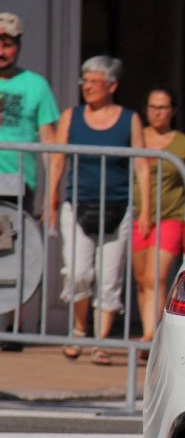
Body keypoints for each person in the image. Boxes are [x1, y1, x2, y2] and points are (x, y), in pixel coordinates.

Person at [46, 56, 148, 366]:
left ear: (112, 86)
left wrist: (146, 211)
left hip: (118, 206)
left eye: (94, 82)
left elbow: (142, 165)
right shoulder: (70, 116)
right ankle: (79, 331)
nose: (87, 87)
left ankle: (100, 342)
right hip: (78, 205)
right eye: (84, 81)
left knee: (109, 278)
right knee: (77, 272)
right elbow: (58, 160)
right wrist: (50, 201)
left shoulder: (129, 119)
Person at [0, 12, 59, 351]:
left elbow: (51, 143)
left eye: (8, 43)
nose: (2, 50)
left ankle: (16, 328)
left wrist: (52, 193)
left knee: (17, 252)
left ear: (18, 45)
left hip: (20, 181)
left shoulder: (36, 85)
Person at [132, 86, 185, 348]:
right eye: (152, 107)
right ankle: (148, 332)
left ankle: (150, 338)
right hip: (138, 218)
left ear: (173, 111)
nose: (157, 113)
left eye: (163, 107)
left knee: (156, 277)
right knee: (142, 279)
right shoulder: (137, 137)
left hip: (171, 217)